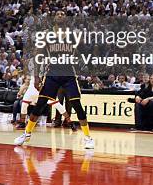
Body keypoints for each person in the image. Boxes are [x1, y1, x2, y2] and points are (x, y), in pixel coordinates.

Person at [14, 11, 94, 149]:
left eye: (63, 13)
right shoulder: (47, 35)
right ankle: (26, 133)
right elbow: (39, 55)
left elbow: (83, 49)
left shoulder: (72, 35)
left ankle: (88, 138)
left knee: (77, 105)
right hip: (52, 74)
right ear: (54, 18)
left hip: (69, 74)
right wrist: (37, 76)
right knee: (40, 105)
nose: (61, 15)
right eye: (58, 13)